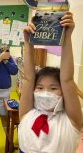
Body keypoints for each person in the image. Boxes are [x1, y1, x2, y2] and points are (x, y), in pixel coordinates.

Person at [18, 12, 82, 152]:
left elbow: (67, 79)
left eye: (53, 88)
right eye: (40, 88)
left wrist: (66, 37)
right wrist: (28, 42)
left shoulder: (70, 121)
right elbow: (29, 78)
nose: (45, 92)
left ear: (63, 92)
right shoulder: (28, 114)